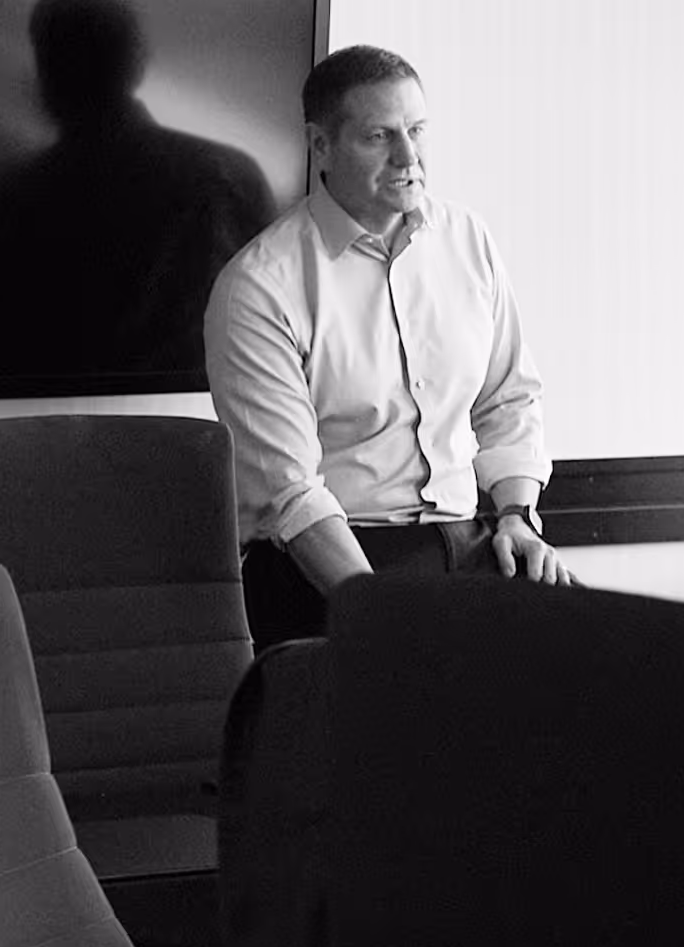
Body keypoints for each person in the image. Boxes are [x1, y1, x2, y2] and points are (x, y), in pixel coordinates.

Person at [204, 44, 570, 647]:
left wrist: (517, 515)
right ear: (321, 145)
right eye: (380, 136)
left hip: (473, 538)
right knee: (431, 705)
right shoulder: (259, 288)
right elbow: (292, 495)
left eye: (418, 130)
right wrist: (387, 618)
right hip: (332, 561)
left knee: (612, 674)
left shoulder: (467, 240)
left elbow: (508, 399)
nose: (410, 156)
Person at [0, 0, 276, 378]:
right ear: (137, 63)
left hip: (41, 430)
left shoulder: (12, 199)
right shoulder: (230, 174)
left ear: (45, 74)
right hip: (205, 426)